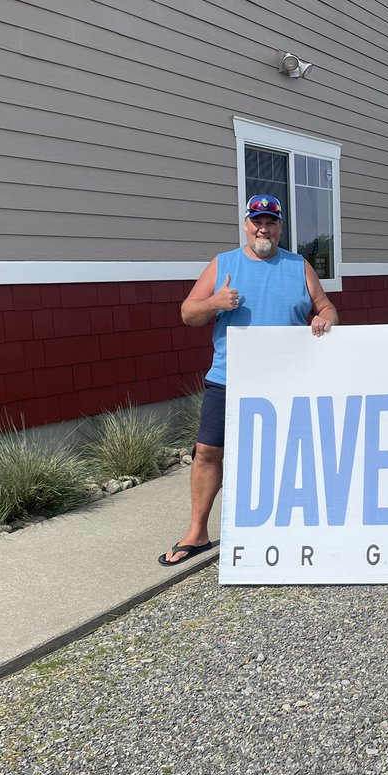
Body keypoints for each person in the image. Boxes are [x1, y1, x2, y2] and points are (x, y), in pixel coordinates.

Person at [158, 194, 338, 566]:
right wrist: (214, 303)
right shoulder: (224, 264)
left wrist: (326, 319)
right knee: (208, 452)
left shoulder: (298, 265)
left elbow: (326, 307)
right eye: (257, 221)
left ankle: (295, 529)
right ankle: (197, 533)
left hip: (288, 381)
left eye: (271, 222)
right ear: (246, 225)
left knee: (290, 454)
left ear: (280, 228)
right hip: (229, 379)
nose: (264, 228)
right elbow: (188, 313)